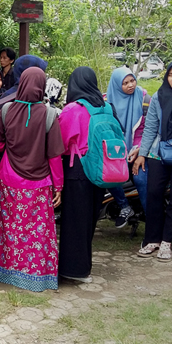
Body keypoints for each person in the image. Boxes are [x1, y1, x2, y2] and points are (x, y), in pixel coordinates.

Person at [0, 66, 64, 292]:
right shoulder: (49, 114)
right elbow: (54, 155)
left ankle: (2, 270)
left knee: (7, 227)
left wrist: (11, 150)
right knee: (36, 231)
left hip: (9, 179)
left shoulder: (7, 109)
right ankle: (35, 276)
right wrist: (58, 185)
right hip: (39, 183)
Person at [134, 60, 172, 261]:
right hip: (158, 153)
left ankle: (167, 242)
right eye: (171, 75)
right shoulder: (159, 97)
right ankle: (152, 239)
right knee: (153, 194)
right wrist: (142, 154)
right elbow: (150, 127)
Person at [57, 67, 109, 283]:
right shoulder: (106, 107)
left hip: (77, 169)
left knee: (73, 221)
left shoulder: (73, 110)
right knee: (89, 220)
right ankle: (84, 267)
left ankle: (73, 270)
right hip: (100, 169)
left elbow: (59, 141)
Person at [105, 67, 148, 227]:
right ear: (117, 85)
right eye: (125, 83)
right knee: (110, 176)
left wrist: (139, 148)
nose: (130, 85)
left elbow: (149, 128)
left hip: (140, 149)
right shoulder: (107, 102)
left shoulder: (143, 98)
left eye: (132, 80)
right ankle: (124, 206)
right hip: (116, 149)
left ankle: (152, 220)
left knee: (141, 179)